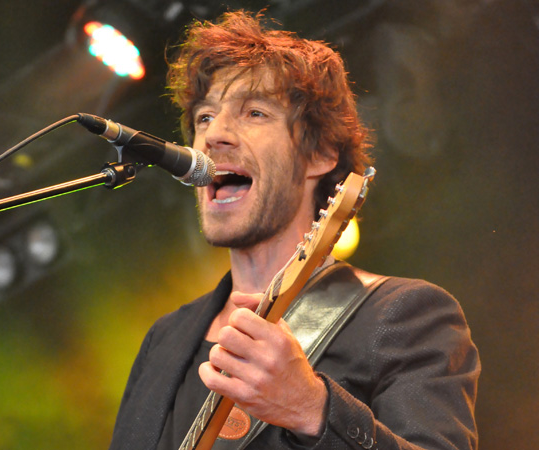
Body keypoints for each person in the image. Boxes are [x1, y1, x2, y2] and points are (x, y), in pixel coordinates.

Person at [108, 10, 480, 450]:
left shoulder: (406, 315)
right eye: (204, 117)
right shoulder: (164, 339)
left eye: (254, 112)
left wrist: (312, 409)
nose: (213, 136)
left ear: (320, 154)